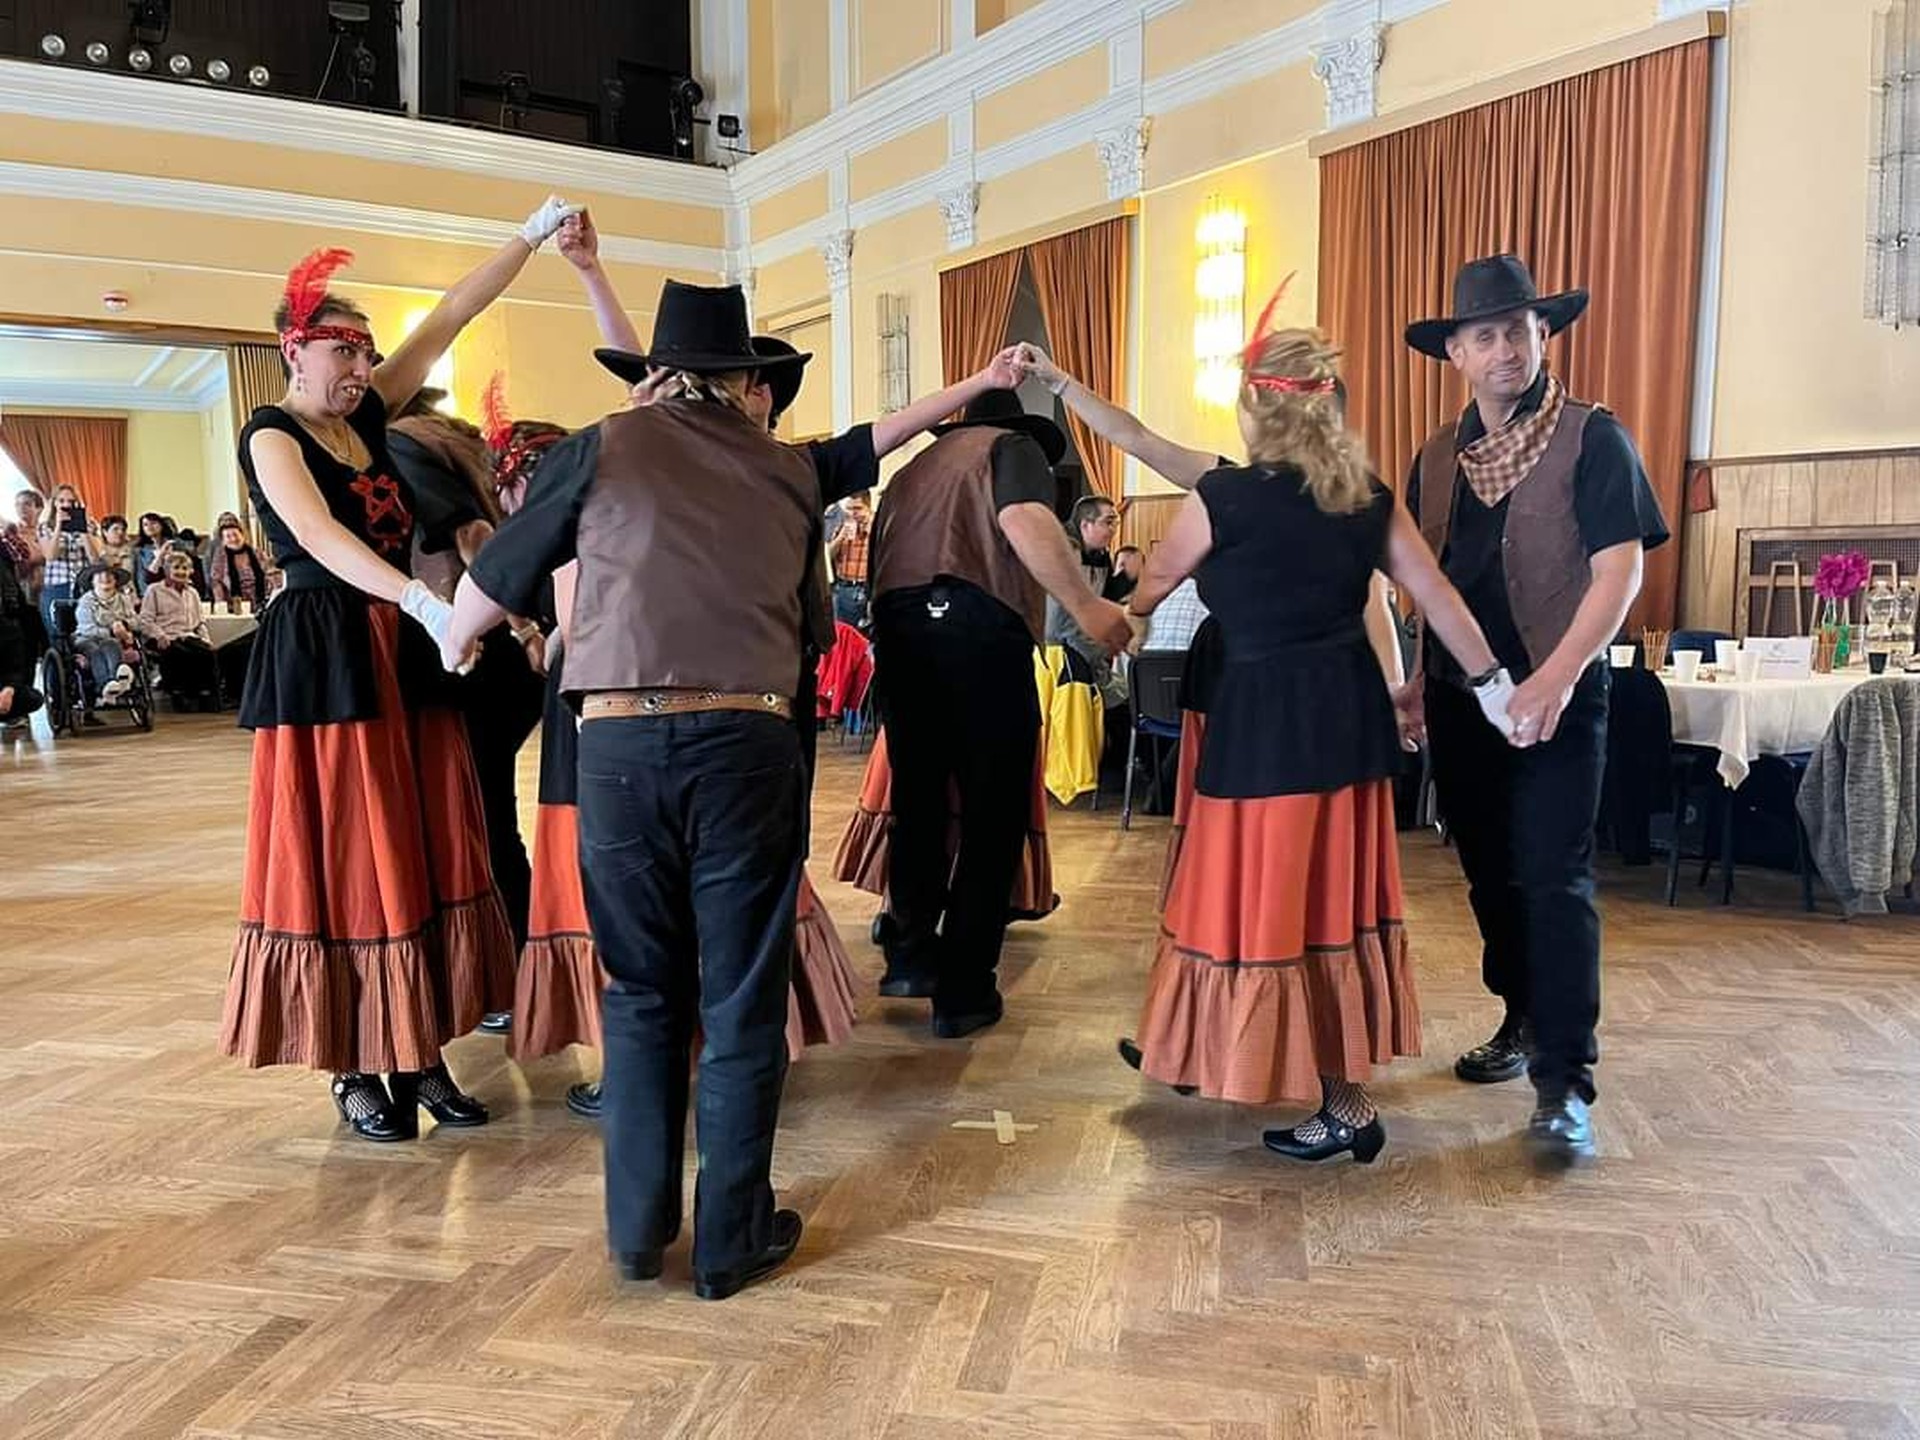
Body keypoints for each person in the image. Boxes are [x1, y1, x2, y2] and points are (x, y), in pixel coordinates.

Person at [447, 279, 820, 1300]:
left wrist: (453, 640)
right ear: (745, 380)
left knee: (642, 992)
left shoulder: (601, 445)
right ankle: (730, 1241)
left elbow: (491, 586)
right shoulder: (788, 468)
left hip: (616, 743)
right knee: (740, 999)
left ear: (657, 374)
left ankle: (637, 1230)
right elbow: (813, 630)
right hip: (746, 736)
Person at [1118, 316, 1516, 1162]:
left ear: (1256, 409)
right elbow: (1437, 597)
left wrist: (1115, 610)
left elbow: (1149, 589)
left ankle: (1333, 1099)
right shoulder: (1363, 495)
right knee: (1330, 911)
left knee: (1254, 904)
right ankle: (1308, 1088)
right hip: (1344, 728)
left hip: (1260, 731)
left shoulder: (1221, 498)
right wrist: (1496, 688)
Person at [219, 203, 575, 1141]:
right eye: (344, 351)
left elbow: (453, 311)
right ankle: (351, 1065)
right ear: (295, 350)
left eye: (368, 353)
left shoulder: (371, 412)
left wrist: (529, 234)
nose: (361, 366)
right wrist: (422, 602)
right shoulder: (270, 433)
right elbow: (318, 538)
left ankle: (418, 1053)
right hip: (330, 653)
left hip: (400, 647)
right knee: (349, 853)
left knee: (420, 844)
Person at [1401, 255, 1670, 1166]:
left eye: (1519, 331)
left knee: (1555, 877)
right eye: (1485, 336)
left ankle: (1565, 1084)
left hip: (1560, 694)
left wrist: (1555, 678)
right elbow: (1424, 581)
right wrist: (1416, 678)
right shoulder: (1435, 457)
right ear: (1457, 355)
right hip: (1459, 698)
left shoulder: (1596, 438)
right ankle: (1521, 1014)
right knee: (1489, 874)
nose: (1505, 350)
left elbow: (1619, 571)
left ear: (1543, 335)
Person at [869, 389, 1132, 1038]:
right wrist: (1088, 606)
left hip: (900, 630)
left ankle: (908, 957)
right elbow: (1022, 518)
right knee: (994, 812)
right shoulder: (1011, 449)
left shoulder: (912, 471)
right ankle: (964, 991)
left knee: (920, 803)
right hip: (979, 626)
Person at [388, 379, 554, 1037]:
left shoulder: (402, 443)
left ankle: (518, 973)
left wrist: (520, 626)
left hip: (479, 657)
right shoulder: (457, 443)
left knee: (481, 821)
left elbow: (473, 536)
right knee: (486, 818)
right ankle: (517, 968)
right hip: (498, 662)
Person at [139, 549, 220, 708]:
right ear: (167, 570)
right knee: (178, 652)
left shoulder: (193, 593)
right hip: (164, 635)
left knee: (207, 653)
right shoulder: (154, 590)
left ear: (190, 571)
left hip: (188, 635)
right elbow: (145, 620)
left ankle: (204, 693)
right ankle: (179, 693)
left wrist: (206, 640)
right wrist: (159, 635)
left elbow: (199, 622)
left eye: (185, 568)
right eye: (176, 568)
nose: (181, 572)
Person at [72, 563, 141, 713]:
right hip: (87, 639)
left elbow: (137, 621)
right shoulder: (86, 601)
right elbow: (87, 628)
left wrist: (124, 624)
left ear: (116, 580)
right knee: (95, 650)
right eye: (100, 575)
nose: (105, 577)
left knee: (111, 644)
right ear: (92, 581)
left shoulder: (123, 599)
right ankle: (104, 684)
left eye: (110, 575)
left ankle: (116, 680)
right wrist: (111, 630)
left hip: (114, 641)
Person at [38, 484, 100, 636]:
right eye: (61, 501)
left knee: (86, 633)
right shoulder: (45, 526)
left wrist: (82, 527)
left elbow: (95, 558)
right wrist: (59, 526)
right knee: (58, 634)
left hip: (84, 586)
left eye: (71, 501)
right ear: (54, 503)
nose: (66, 505)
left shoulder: (90, 524)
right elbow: (50, 556)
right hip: (57, 586)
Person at [0, 558, 46, 731]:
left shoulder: (8, 628)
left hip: (18, 609)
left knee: (33, 698)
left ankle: (10, 715)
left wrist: (8, 689)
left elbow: (15, 668)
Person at [826, 489, 873, 629]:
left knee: (862, 635)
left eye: (857, 509)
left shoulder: (877, 525)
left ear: (868, 507)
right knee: (840, 633)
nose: (853, 513)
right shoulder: (842, 524)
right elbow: (828, 556)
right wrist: (840, 537)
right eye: (849, 509)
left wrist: (868, 528)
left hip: (864, 589)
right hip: (842, 588)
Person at [208, 519, 272, 611]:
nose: (233, 539)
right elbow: (216, 582)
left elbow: (269, 573)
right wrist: (221, 605)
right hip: (235, 605)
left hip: (260, 602)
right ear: (223, 540)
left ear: (242, 535)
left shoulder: (257, 553)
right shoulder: (220, 557)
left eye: (235, 534)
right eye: (228, 536)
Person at [135, 513, 177, 596]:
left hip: (173, 590)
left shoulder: (174, 544)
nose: (150, 527)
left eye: (153, 523)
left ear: (161, 525)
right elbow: (142, 576)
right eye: (145, 525)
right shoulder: (140, 550)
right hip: (150, 592)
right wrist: (161, 554)